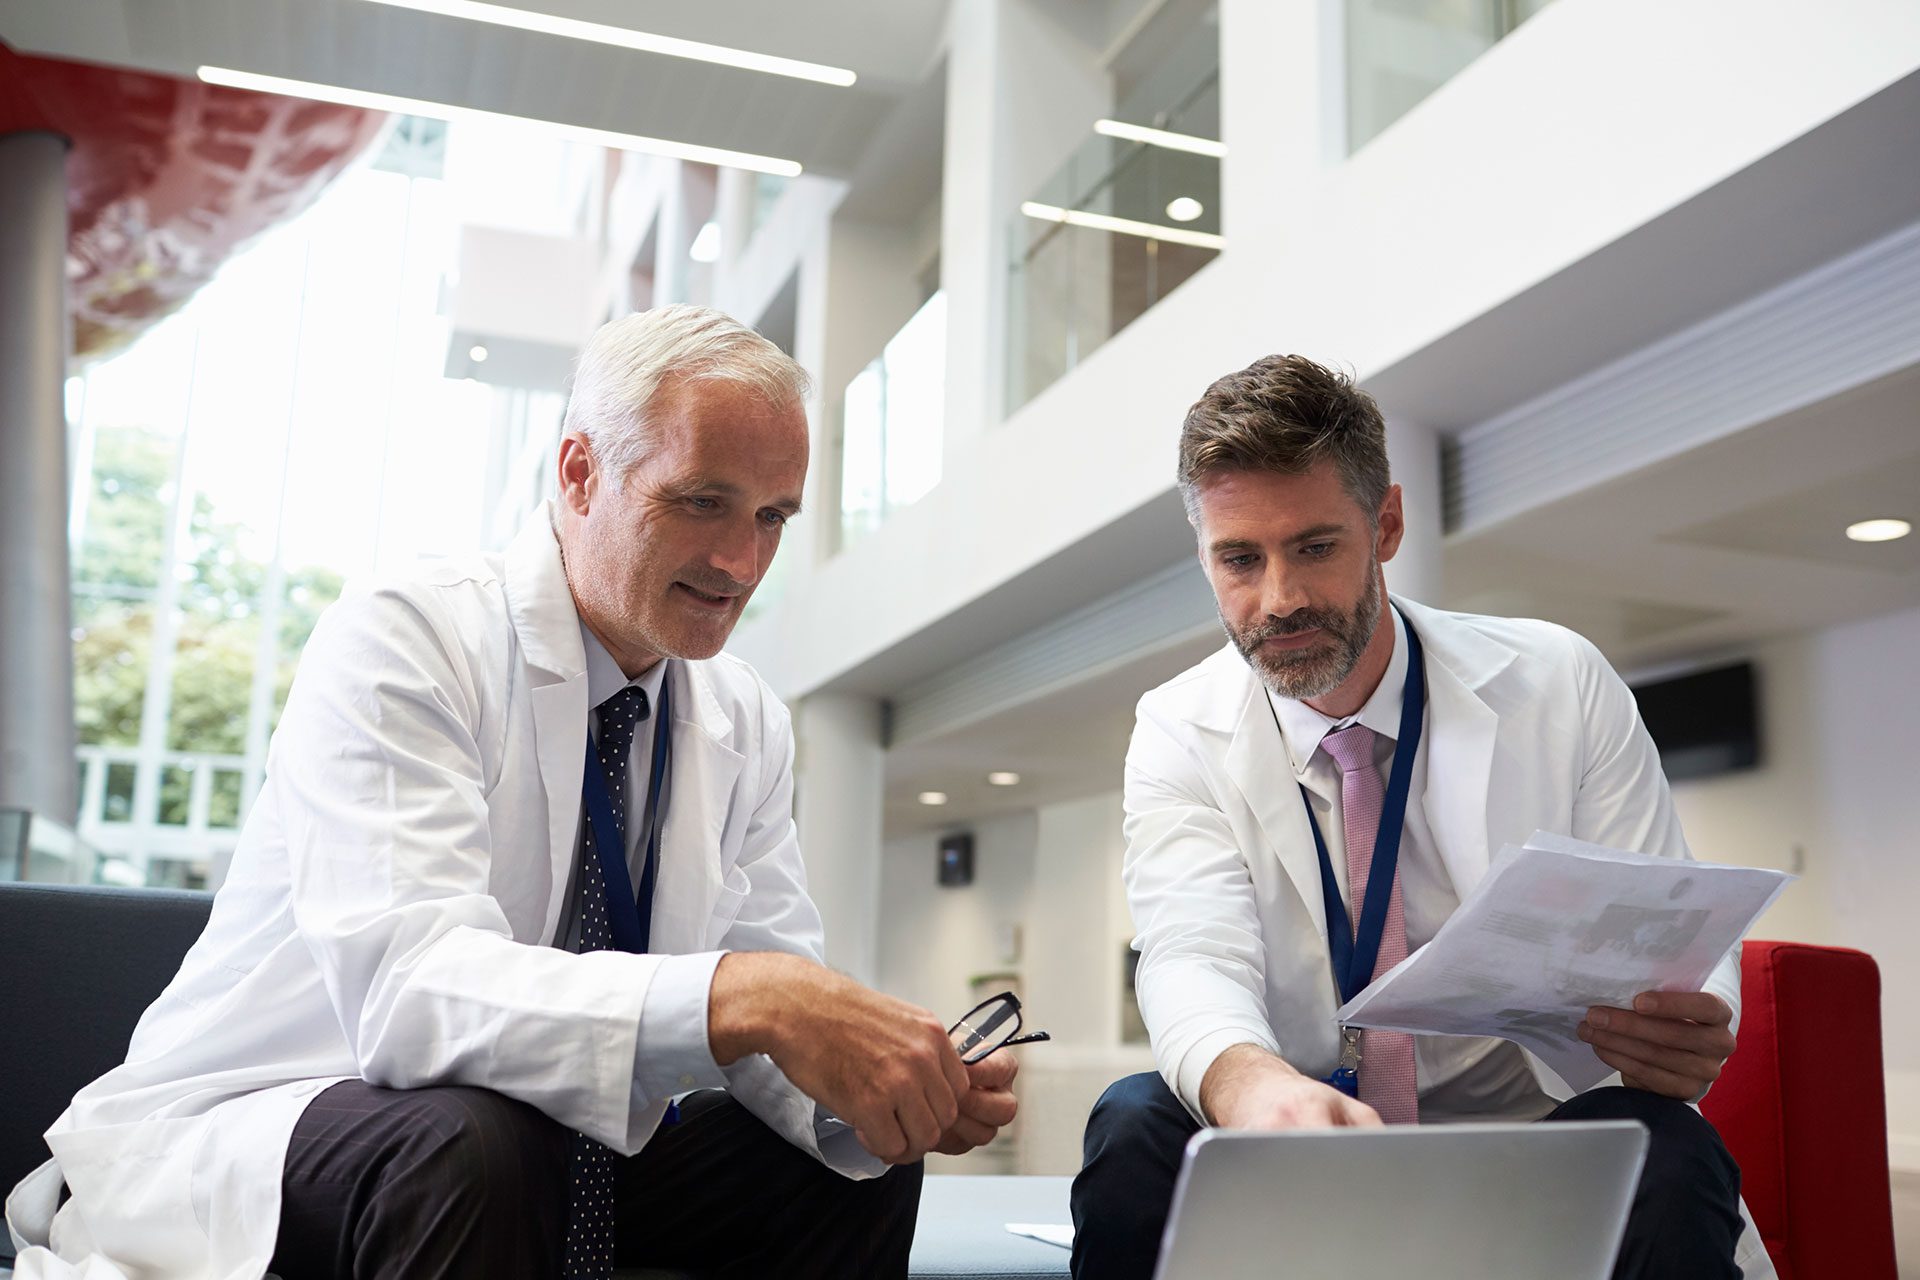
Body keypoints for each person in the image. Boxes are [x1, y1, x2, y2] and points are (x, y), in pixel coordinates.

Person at [6, 305, 1018, 1280]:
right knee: (473, 1139)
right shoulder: (407, 634)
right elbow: (410, 996)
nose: (740, 561)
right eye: (702, 500)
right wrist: (740, 992)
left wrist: (876, 1089)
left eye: (771, 516)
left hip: (556, 1147)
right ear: (582, 472)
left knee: (846, 1167)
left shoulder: (742, 714)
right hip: (281, 1119)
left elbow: (778, 1019)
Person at [1069, 354, 1772, 1280]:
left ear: (1387, 523)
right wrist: (1253, 1086)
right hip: (1304, 1146)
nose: (1278, 599)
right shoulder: (1176, 727)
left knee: (1665, 1145)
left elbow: (1664, 918)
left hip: (1531, 1144)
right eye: (1240, 560)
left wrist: (1693, 1015)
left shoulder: (1559, 680)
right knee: (1132, 1124)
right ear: (1206, 556)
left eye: (1316, 547)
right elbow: (1192, 951)